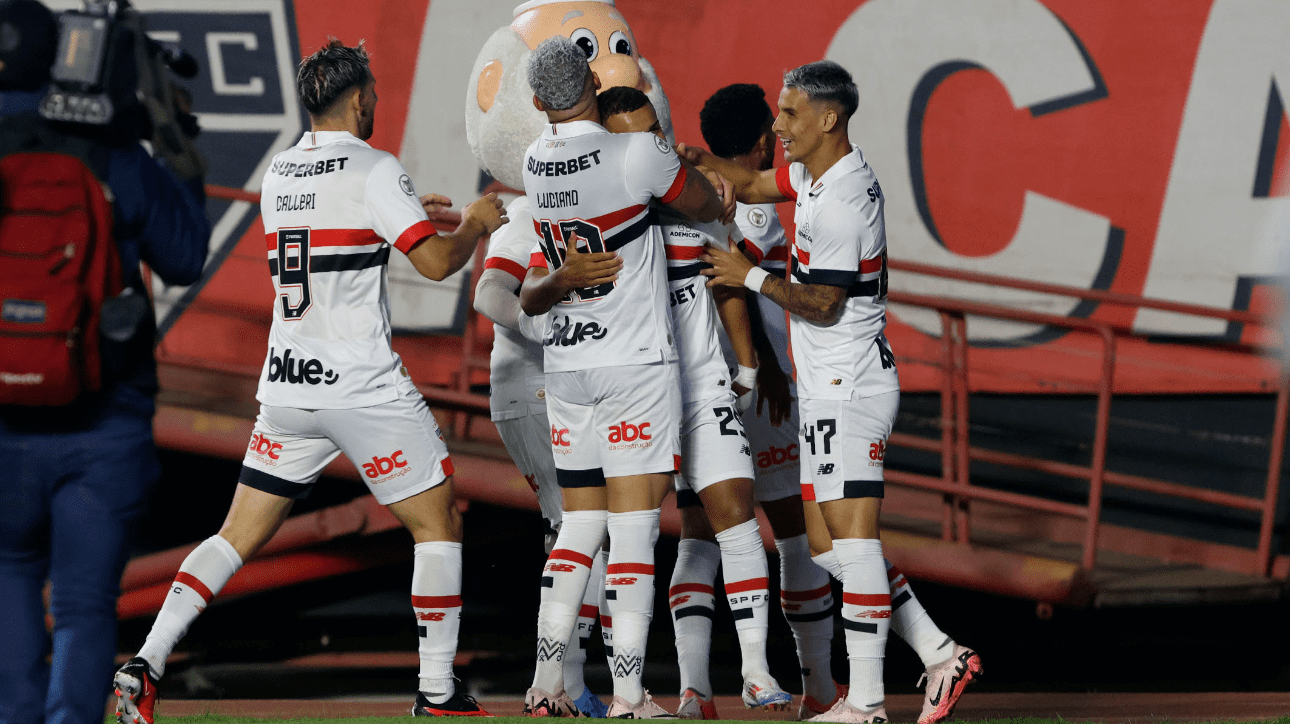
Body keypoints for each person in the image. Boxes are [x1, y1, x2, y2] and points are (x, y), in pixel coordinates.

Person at [111, 38, 507, 723]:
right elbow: (440, 263)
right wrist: (474, 222)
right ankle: (438, 692)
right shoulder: (376, 169)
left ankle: (144, 664)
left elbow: (338, 227)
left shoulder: (280, 173)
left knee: (232, 538)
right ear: (358, 100)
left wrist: (405, 209)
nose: (377, 102)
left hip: (289, 387)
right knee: (438, 520)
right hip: (361, 388)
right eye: (374, 93)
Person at [681, 63, 983, 724]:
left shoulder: (845, 197)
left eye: (790, 115)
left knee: (854, 548)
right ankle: (938, 650)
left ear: (828, 119)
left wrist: (750, 276)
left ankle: (868, 703)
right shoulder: (814, 176)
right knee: (827, 549)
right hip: (827, 391)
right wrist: (695, 159)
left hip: (849, 388)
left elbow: (821, 302)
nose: (779, 128)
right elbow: (754, 180)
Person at [0, 2, 212, 723]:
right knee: (87, 605)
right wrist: (175, 138)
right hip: (105, 419)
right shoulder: (115, 152)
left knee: (8, 574)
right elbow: (183, 258)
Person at [517, 36, 726, 719]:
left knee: (579, 528)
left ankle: (547, 684)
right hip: (634, 364)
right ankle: (631, 694)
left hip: (569, 365)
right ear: (595, 87)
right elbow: (701, 202)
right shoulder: (634, 152)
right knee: (634, 532)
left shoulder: (533, 160)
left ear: (535, 102)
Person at [596, 85, 792, 718]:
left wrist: (744, 368)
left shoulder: (697, 198)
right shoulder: (601, 208)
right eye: (631, 133)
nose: (645, 143)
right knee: (644, 537)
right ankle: (655, 687)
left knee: (725, 523)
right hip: (640, 393)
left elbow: (727, 282)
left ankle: (746, 678)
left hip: (703, 385)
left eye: (652, 129)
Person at [472, 194, 610, 718]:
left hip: (553, 392)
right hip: (534, 390)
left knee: (579, 530)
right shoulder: (532, 209)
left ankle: (565, 682)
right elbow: (489, 291)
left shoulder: (585, 203)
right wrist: (541, 328)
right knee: (584, 528)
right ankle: (558, 684)